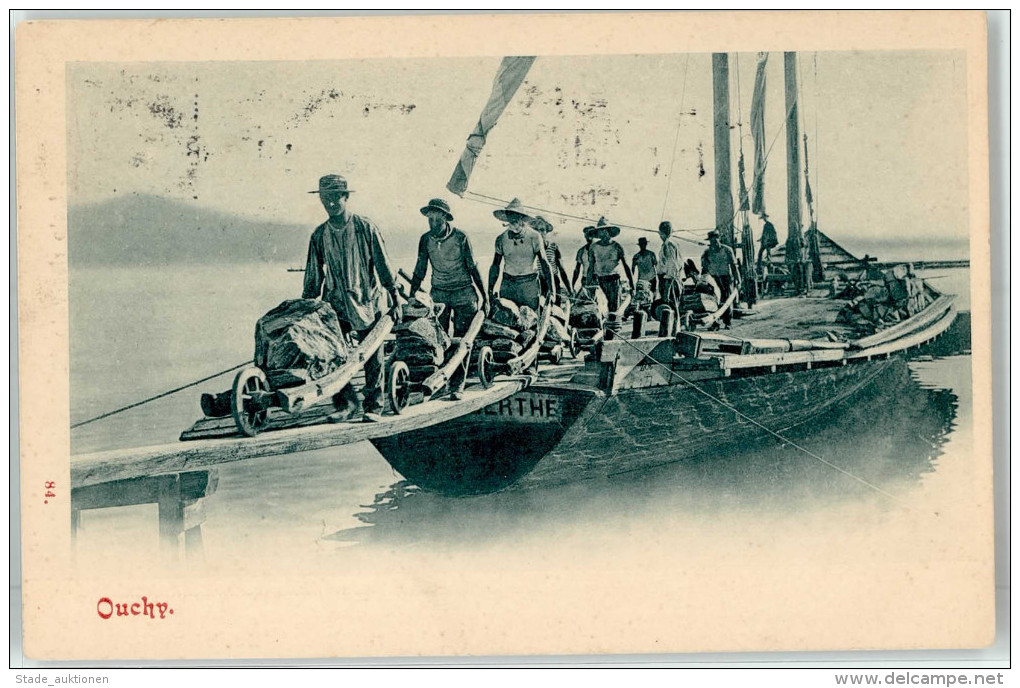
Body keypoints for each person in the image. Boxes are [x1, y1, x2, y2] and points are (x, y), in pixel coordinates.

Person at [302, 174, 400, 422]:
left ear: (346, 197)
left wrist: (395, 298)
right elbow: (313, 277)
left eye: (336, 197)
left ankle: (374, 405)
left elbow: (383, 266)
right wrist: (307, 308)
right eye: (326, 198)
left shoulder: (365, 228)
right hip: (335, 305)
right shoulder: (319, 235)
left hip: (368, 302)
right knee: (330, 351)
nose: (331, 203)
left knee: (372, 355)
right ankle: (346, 403)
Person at [407, 198, 487, 400]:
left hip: (463, 292)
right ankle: (440, 382)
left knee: (461, 339)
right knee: (437, 340)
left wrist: (485, 296)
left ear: (445, 218)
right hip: (439, 294)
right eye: (429, 220)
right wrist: (411, 295)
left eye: (436, 220)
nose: (432, 224)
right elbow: (420, 269)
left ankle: (457, 385)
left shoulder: (460, 237)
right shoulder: (425, 239)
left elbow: (472, 267)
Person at [488, 198, 554, 311]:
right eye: (510, 216)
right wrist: (489, 290)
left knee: (531, 320)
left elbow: (544, 263)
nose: (512, 219)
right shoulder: (501, 239)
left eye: (516, 216)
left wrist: (552, 291)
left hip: (529, 285)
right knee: (507, 320)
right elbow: (495, 265)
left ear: (521, 218)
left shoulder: (534, 236)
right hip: (508, 284)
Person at [586, 217, 634, 313]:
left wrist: (632, 285)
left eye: (603, 230)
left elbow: (626, 267)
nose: (602, 233)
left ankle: (613, 327)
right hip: (600, 281)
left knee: (614, 310)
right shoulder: (593, 247)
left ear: (608, 231)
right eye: (600, 231)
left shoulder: (617, 246)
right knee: (600, 309)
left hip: (614, 281)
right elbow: (591, 267)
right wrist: (588, 285)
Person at [701, 230, 741, 328]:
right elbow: (704, 268)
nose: (714, 241)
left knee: (726, 299)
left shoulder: (727, 250)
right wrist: (703, 280)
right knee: (713, 301)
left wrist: (738, 280)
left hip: (726, 278)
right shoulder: (707, 252)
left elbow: (734, 266)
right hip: (713, 279)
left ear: (719, 238)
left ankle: (728, 322)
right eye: (711, 240)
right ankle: (715, 322)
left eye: (716, 239)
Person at [530, 215, 572, 302]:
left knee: (556, 309)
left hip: (553, 280)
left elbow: (562, 270)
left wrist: (570, 289)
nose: (539, 233)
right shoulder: (531, 248)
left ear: (546, 232)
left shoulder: (553, 247)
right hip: (538, 282)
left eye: (542, 230)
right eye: (536, 230)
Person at [656, 220, 684, 316]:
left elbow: (673, 266)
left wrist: (667, 289)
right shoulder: (668, 244)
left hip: (669, 281)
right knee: (670, 307)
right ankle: (673, 328)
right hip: (666, 280)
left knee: (671, 306)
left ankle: (674, 329)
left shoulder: (669, 244)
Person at [571, 225, 598, 297]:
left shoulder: (600, 249)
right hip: (585, 280)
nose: (589, 235)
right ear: (585, 236)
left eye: (591, 233)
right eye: (587, 234)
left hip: (599, 280)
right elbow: (577, 269)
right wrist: (572, 285)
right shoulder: (581, 251)